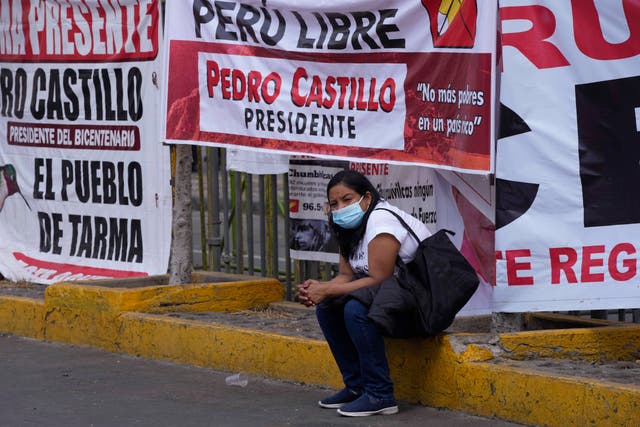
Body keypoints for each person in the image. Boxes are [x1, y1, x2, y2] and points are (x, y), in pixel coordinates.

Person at [297, 169, 431, 417]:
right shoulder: (347, 228)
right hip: (391, 299)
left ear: (366, 198)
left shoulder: (381, 220)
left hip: (424, 304)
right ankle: (357, 387)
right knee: (328, 307)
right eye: (334, 203)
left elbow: (379, 279)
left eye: (347, 200)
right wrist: (319, 291)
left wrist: (327, 289)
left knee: (355, 308)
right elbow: (346, 276)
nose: (340, 208)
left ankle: (380, 394)